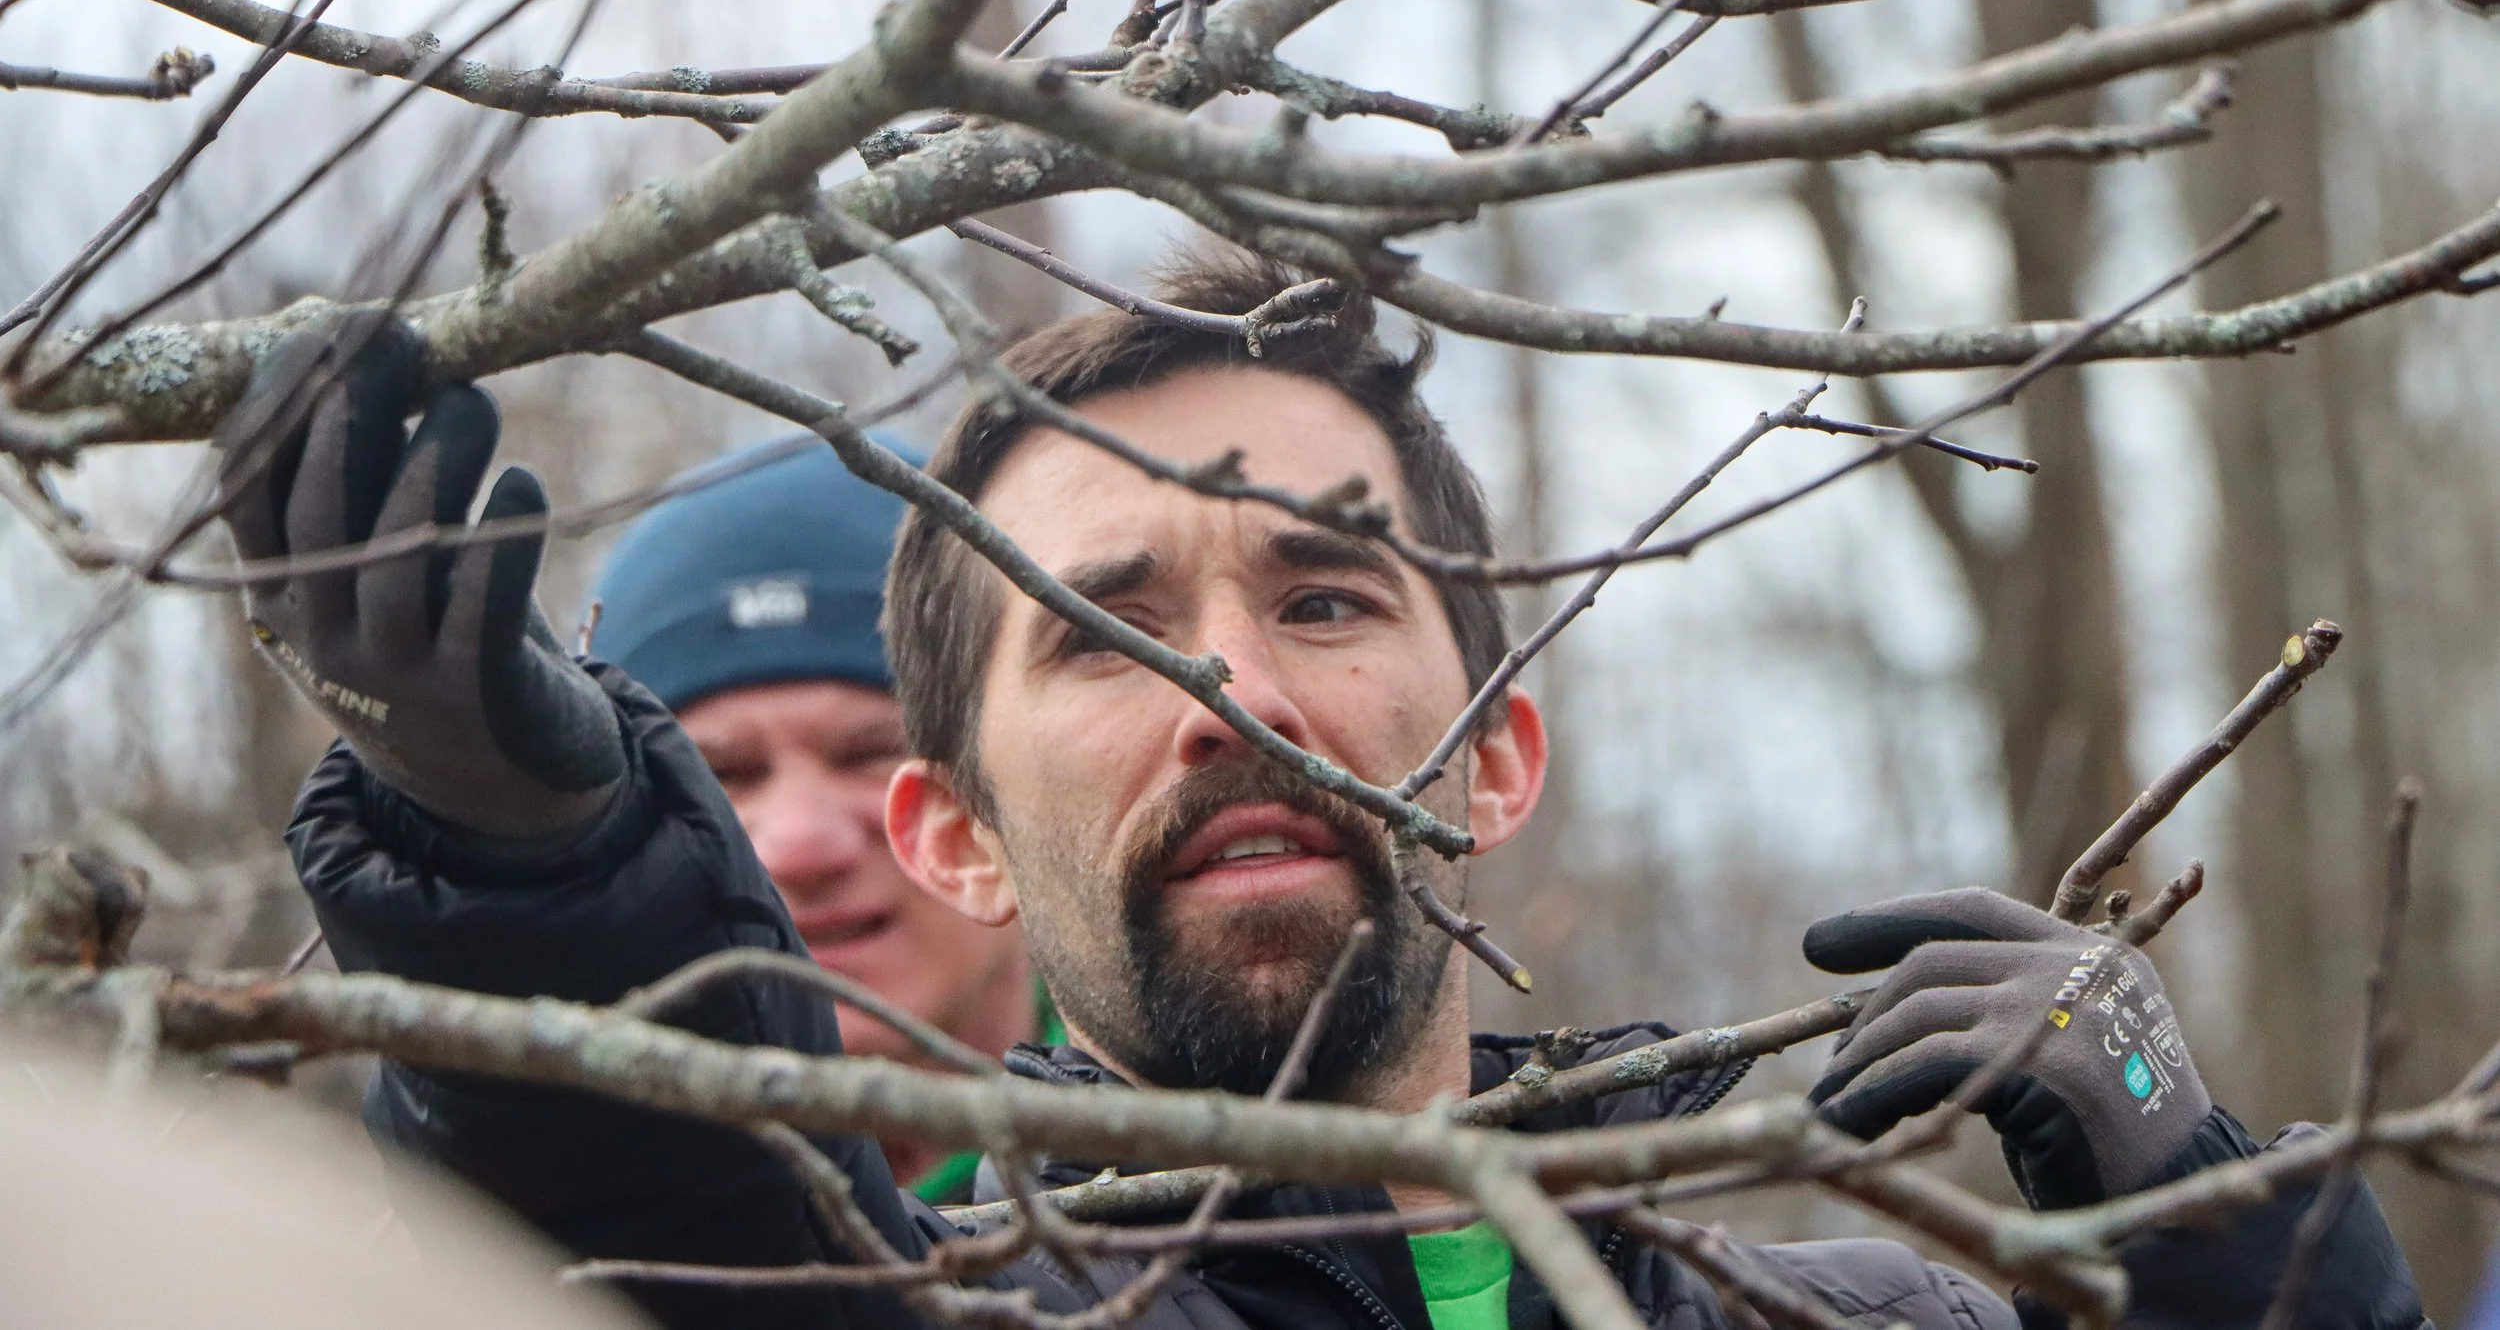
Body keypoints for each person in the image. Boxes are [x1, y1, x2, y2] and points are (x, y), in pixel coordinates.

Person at [217, 270, 2428, 1330]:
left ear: (1491, 755)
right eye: (1102, 626)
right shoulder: (934, 1306)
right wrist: (514, 835)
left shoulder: (1873, 1322)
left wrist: (2220, 1228)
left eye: (1321, 588)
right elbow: (699, 1230)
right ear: (954, 832)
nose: (1234, 687)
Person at [582, 437, 1057, 1198]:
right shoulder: (520, 1237)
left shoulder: (1241, 1193)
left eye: (875, 752)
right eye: (719, 774)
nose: (802, 846)